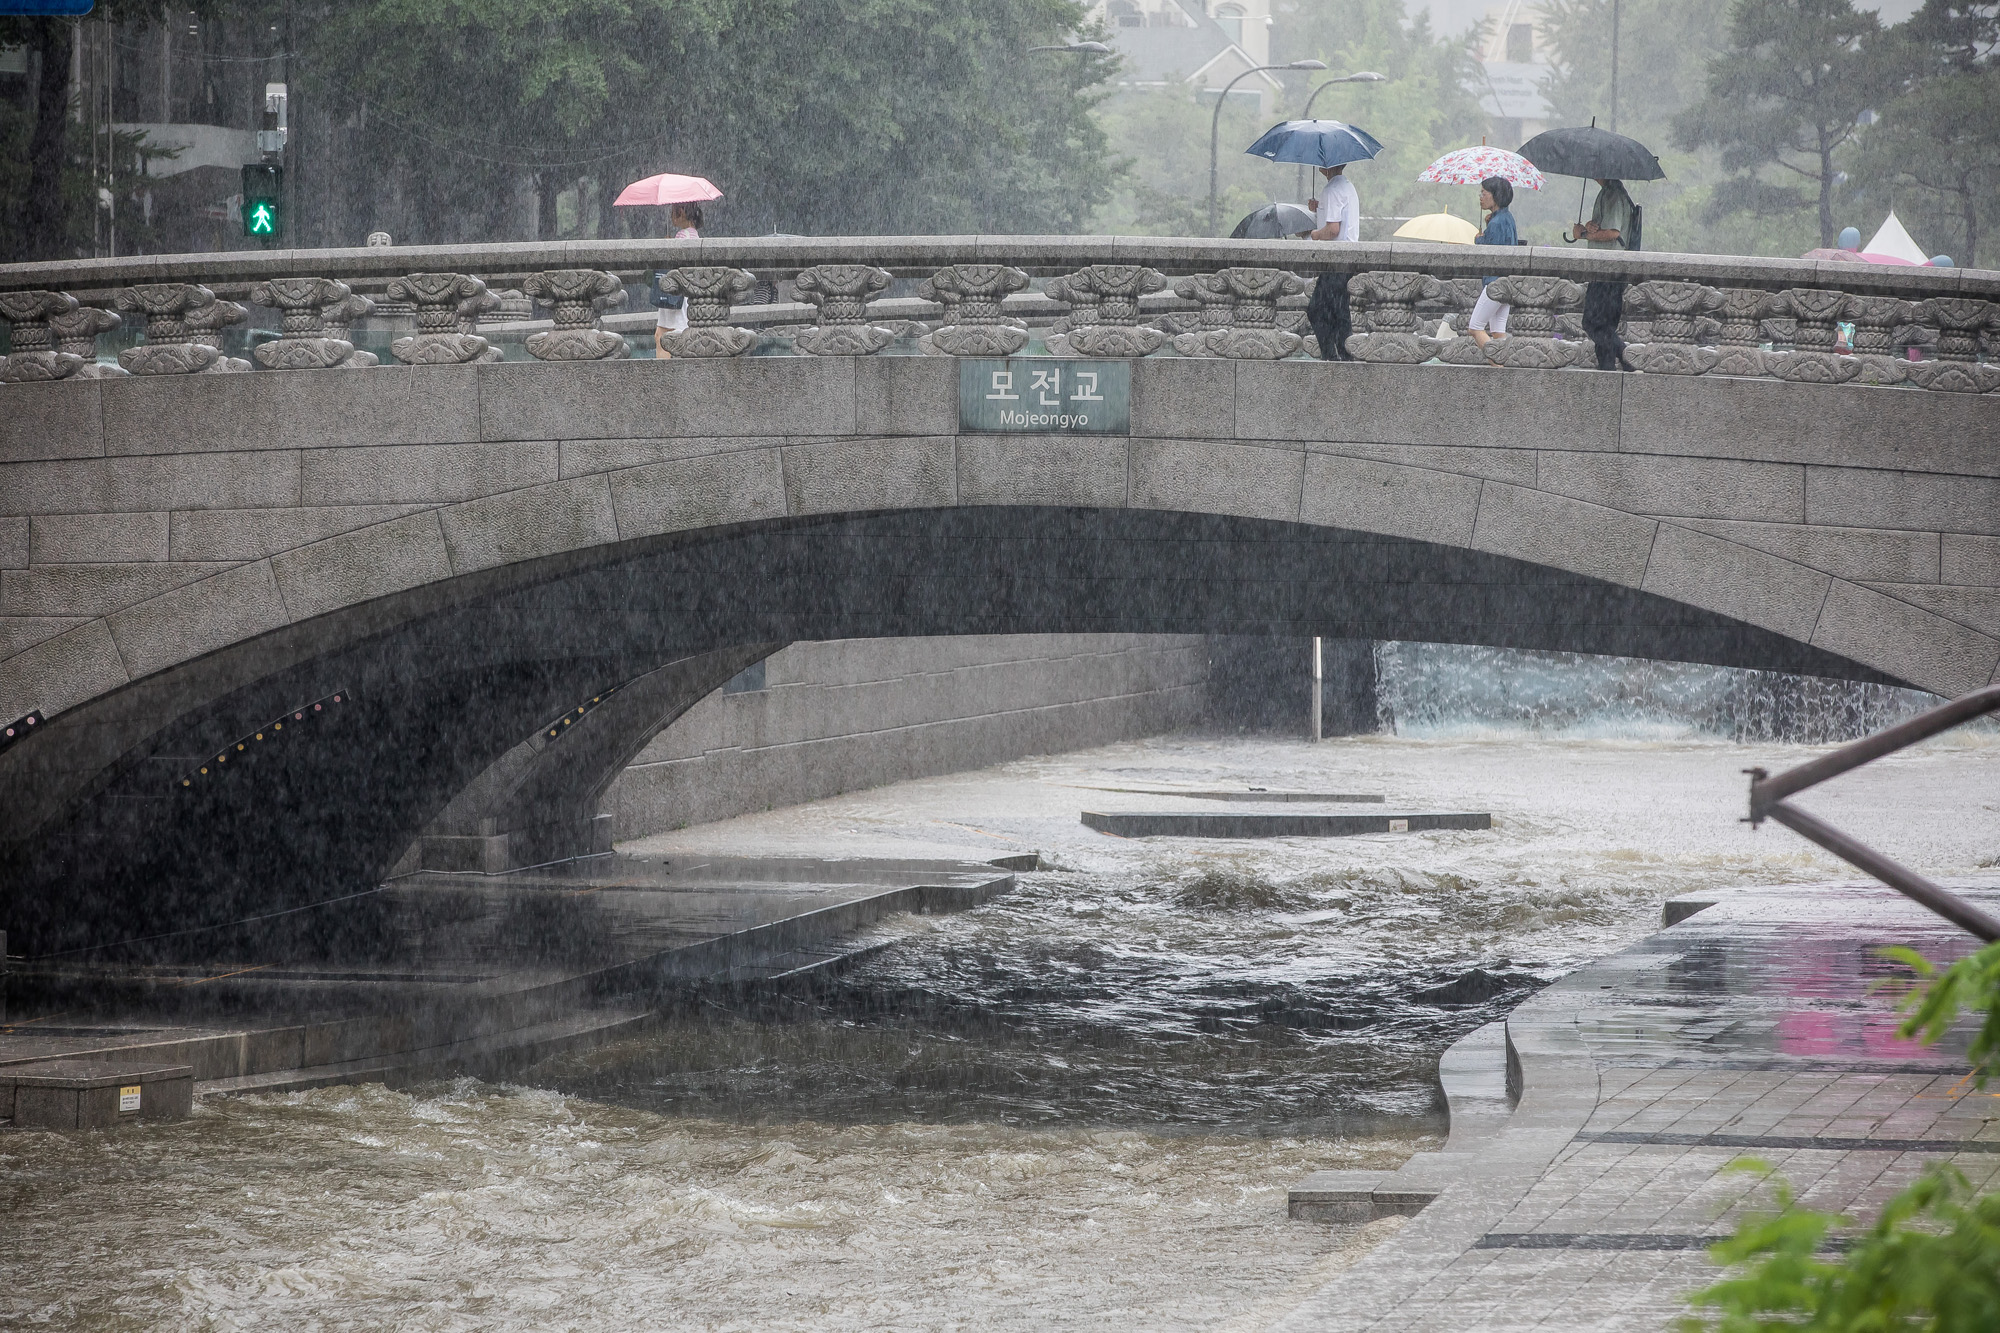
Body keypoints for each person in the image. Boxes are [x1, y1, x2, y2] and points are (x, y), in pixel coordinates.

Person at [1566, 178, 1635, 371]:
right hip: (1608, 270)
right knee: (1604, 325)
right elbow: (1606, 228)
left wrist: (1584, 235)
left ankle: (1625, 355)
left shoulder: (1613, 193)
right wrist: (1590, 226)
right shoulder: (1609, 192)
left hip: (1607, 271)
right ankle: (1607, 370)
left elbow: (1613, 233)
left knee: (1592, 322)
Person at [1304, 162, 1360, 361]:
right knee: (1339, 310)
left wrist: (1315, 235)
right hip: (1347, 259)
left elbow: (1333, 230)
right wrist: (1320, 206)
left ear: (1325, 167)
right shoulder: (1347, 187)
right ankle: (1344, 356)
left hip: (1335, 260)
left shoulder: (1332, 189)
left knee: (1317, 309)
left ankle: (1332, 356)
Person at [1468, 176, 1517, 348]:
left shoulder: (1496, 223)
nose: (1480, 197)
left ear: (1495, 195)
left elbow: (1492, 253)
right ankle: (1502, 367)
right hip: (1507, 282)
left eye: (1484, 193)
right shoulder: (1507, 218)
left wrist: (1479, 240)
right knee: (1497, 332)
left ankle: (1498, 365)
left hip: (1494, 282)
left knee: (1475, 328)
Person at [655, 202, 702, 359]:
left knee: (662, 336)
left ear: (681, 211)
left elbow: (674, 264)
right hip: (687, 293)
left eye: (673, 211)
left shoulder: (682, 236)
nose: (671, 215)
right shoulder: (694, 234)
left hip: (674, 292)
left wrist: (667, 247)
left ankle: (662, 375)